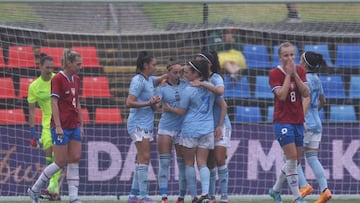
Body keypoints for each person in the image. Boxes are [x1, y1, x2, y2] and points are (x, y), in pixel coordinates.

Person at [28, 49, 83, 203]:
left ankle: (74, 197)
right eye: (78, 64)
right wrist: (58, 126)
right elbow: (54, 102)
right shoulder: (58, 79)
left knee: (75, 159)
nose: (80, 66)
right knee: (59, 162)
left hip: (74, 125)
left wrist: (81, 124)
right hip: (61, 126)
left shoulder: (77, 79)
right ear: (70, 63)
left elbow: (77, 102)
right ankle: (35, 189)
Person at [163, 60, 215, 203]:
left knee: (189, 163)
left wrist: (169, 109)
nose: (184, 75)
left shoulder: (188, 90)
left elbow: (180, 111)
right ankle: (205, 194)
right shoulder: (211, 87)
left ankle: (193, 197)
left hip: (191, 129)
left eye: (186, 72)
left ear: (196, 73)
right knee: (203, 163)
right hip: (207, 128)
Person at [268, 42, 309, 203]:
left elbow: (306, 93)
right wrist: (287, 75)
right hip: (282, 121)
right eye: (286, 55)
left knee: (296, 161)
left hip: (298, 120)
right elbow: (282, 95)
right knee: (291, 158)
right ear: (280, 57)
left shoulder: (300, 70)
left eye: (292, 54)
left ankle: (275, 190)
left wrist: (295, 75)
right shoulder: (274, 73)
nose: (290, 58)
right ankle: (298, 197)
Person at [195, 52, 231, 203]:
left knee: (219, 159)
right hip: (206, 127)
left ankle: (224, 196)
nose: (197, 64)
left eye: (200, 61)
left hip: (221, 125)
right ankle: (211, 196)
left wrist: (219, 125)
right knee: (209, 162)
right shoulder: (197, 79)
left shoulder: (215, 78)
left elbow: (223, 105)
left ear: (209, 64)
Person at [126, 51, 161, 203]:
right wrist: (149, 103)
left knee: (142, 158)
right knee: (144, 157)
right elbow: (129, 102)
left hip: (146, 123)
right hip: (137, 124)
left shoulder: (149, 80)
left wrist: (154, 103)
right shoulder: (138, 81)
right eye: (153, 64)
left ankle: (133, 196)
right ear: (145, 65)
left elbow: (160, 80)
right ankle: (143, 195)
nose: (155, 67)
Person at [297, 51, 332, 203]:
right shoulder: (317, 79)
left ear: (304, 63)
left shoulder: (304, 80)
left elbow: (306, 100)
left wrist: (302, 118)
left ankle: (304, 186)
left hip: (305, 123)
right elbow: (323, 101)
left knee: (290, 158)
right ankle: (325, 190)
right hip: (317, 123)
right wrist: (313, 113)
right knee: (312, 158)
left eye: (300, 59)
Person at [28, 53, 62, 201]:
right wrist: (32, 132)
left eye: (51, 67)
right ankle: (54, 190)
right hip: (46, 126)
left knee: (58, 157)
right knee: (49, 158)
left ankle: (53, 186)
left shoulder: (58, 79)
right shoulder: (34, 86)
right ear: (40, 67)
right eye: (47, 67)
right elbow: (31, 110)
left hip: (61, 123)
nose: (49, 70)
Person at [156, 61, 188, 203]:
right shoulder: (161, 88)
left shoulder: (186, 85)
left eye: (180, 72)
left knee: (182, 165)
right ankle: (164, 197)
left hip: (182, 129)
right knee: (164, 163)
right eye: (175, 72)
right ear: (168, 73)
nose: (178, 75)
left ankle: (181, 197)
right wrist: (156, 102)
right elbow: (157, 105)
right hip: (166, 128)